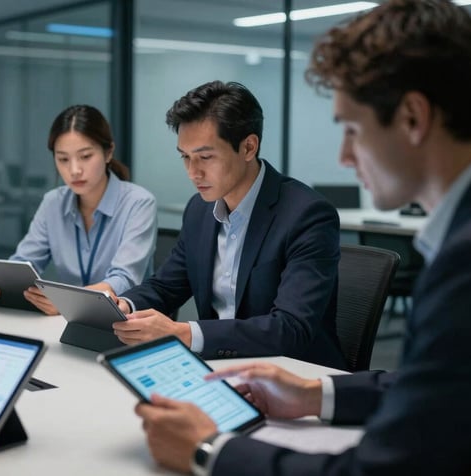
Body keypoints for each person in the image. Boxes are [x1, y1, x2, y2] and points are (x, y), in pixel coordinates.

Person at [134, 1, 471, 475]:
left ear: (413, 118)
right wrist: (316, 393)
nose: (343, 156)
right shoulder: (464, 239)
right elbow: (438, 388)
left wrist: (208, 452)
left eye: (352, 129)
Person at [114, 81, 346, 368]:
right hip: (219, 367)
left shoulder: (307, 215)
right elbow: (165, 287)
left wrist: (185, 333)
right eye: (185, 157)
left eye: (205, 157)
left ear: (248, 147)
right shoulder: (199, 210)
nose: (192, 172)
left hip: (294, 375)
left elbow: (291, 327)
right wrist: (123, 306)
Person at [0, 105, 157, 315]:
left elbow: (123, 279)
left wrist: (66, 302)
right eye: (63, 159)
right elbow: (22, 264)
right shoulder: (53, 202)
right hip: (65, 324)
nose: (74, 170)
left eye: (85, 156)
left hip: (126, 324)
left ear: (108, 153)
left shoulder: (139, 203)